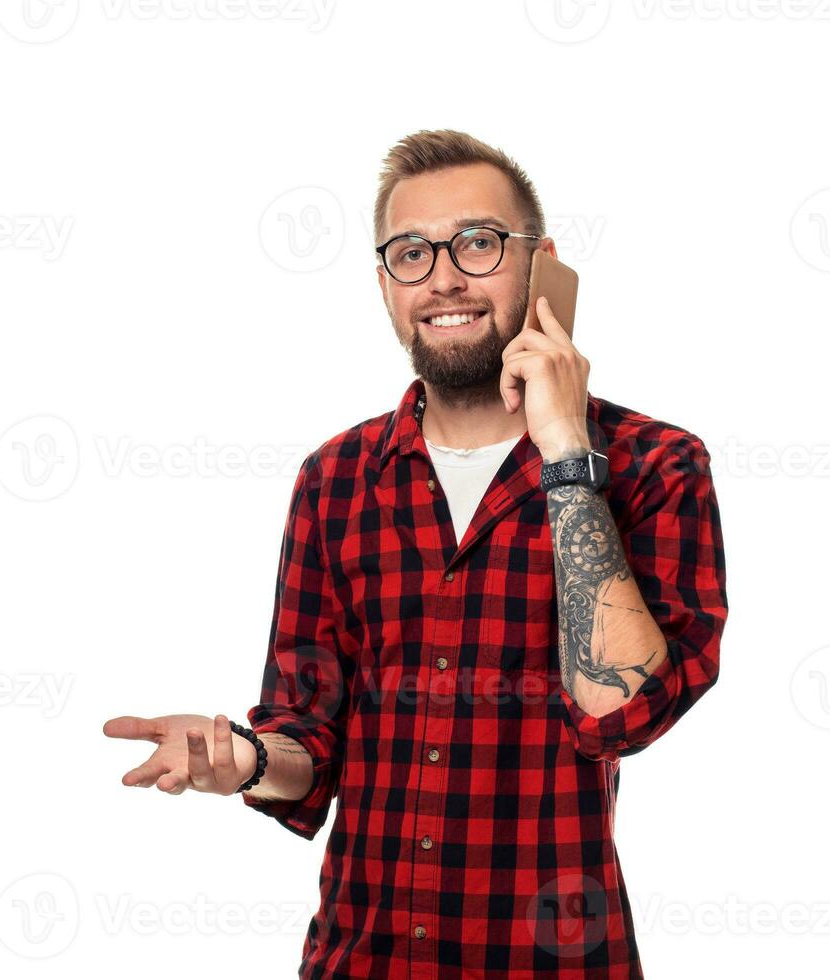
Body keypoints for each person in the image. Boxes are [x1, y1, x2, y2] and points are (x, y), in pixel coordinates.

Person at [104, 129, 728, 979]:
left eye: (477, 243)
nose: (443, 278)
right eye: (410, 254)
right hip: (359, 961)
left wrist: (566, 454)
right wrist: (250, 760)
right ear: (384, 284)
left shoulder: (657, 465)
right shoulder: (334, 478)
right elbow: (306, 743)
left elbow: (620, 715)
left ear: (542, 267)